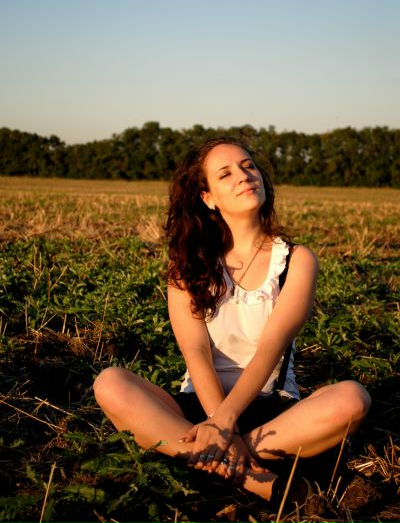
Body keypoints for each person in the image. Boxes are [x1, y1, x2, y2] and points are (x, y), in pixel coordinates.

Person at [93, 136, 371, 508]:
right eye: (225, 174)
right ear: (208, 198)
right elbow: (196, 352)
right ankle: (252, 478)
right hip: (199, 406)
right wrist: (217, 419)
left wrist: (226, 426)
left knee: (352, 399)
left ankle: (206, 457)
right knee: (110, 383)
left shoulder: (297, 261)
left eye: (248, 166)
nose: (243, 176)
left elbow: (271, 348)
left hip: (271, 413)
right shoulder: (186, 265)